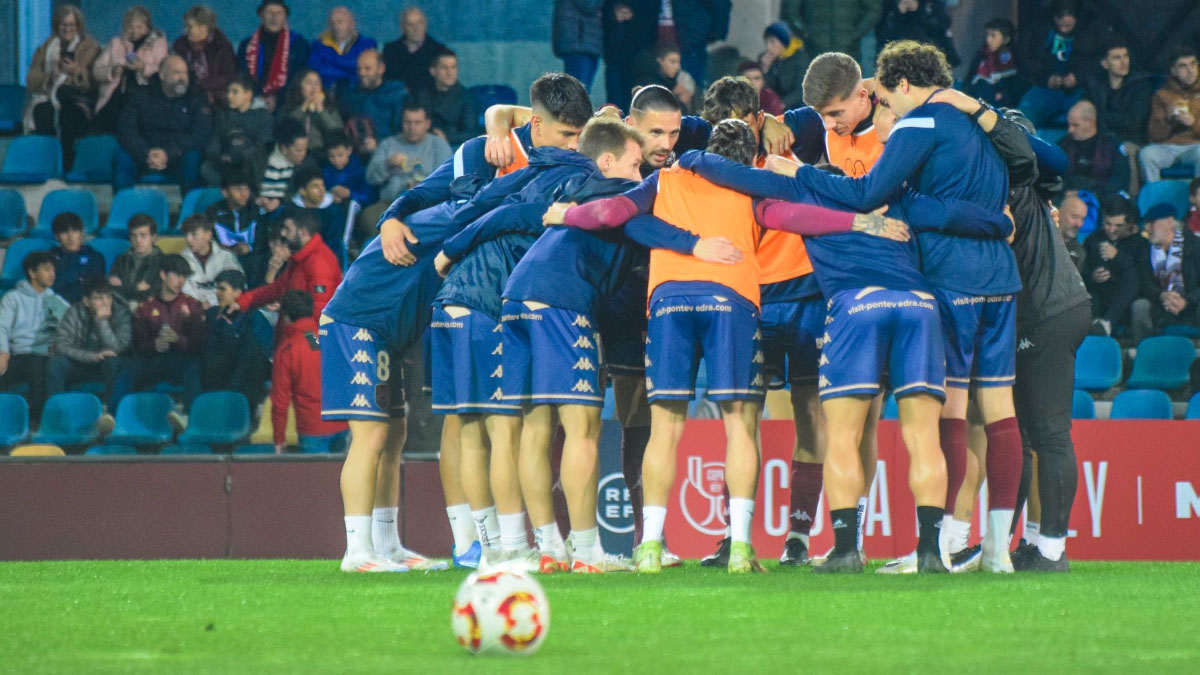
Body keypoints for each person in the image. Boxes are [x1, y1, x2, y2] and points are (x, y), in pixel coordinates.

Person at [747, 41, 1018, 573]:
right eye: (824, 117)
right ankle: (922, 548)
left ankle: (855, 547)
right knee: (896, 426)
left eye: (838, 113)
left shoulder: (905, 133)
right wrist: (771, 119)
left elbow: (817, 200)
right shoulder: (824, 123)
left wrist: (797, 178)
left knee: (858, 427)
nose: (832, 124)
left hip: (873, 297)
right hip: (918, 298)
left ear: (872, 97)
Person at [320, 73, 593, 574]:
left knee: (397, 433)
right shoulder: (479, 172)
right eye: (566, 136)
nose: (575, 147)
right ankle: (356, 551)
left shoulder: (540, 160)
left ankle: (386, 544)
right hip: (361, 316)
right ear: (538, 127)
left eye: (580, 137)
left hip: (407, 321)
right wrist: (390, 217)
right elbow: (439, 199)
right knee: (373, 436)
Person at [479, 118, 738, 573]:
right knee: (582, 430)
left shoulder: (577, 192)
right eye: (636, 165)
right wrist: (697, 245)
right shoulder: (610, 197)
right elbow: (642, 228)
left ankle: (549, 547)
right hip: (562, 302)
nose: (640, 177)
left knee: (536, 429)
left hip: (516, 299)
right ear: (608, 161)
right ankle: (586, 552)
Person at [935, 93, 1091, 572]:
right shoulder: (1015, 183)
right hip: (1041, 311)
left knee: (1048, 435)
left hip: (1047, 312)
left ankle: (1051, 552)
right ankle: (1017, 543)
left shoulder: (1011, 185)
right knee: (1022, 436)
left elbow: (1051, 157)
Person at [115, 254, 205, 408]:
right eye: (177, 275)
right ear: (163, 275)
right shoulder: (145, 307)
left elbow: (199, 344)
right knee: (129, 366)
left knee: (192, 366)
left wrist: (178, 339)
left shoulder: (193, 306)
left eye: (184, 276)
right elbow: (138, 345)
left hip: (181, 359)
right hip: (154, 360)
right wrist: (154, 345)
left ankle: (193, 417)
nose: (181, 281)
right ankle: (113, 415)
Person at [114, 55, 211, 194]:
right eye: (176, 73)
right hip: (145, 154)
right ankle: (123, 210)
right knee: (121, 158)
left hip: (178, 155)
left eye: (184, 73)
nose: (182, 78)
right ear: (162, 75)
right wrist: (145, 153)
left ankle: (192, 213)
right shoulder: (140, 95)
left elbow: (201, 135)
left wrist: (169, 153)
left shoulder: (196, 97)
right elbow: (126, 131)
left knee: (193, 158)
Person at [24, 3, 101, 170]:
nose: (67, 29)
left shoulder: (91, 48)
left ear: (78, 26)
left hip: (78, 102)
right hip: (48, 97)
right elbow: (31, 79)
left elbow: (94, 83)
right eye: (63, 25)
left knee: (69, 115)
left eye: (71, 25)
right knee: (42, 111)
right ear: (57, 26)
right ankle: (48, 163)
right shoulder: (46, 48)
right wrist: (52, 75)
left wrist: (76, 71)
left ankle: (67, 165)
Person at [272, 290, 349, 454]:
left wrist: (279, 439)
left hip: (313, 428)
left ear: (285, 315)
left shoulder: (287, 350)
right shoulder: (322, 339)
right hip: (342, 423)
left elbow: (280, 402)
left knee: (316, 479)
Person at [0, 251, 69, 423]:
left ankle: (36, 422)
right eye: (46, 269)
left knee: (38, 364)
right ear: (32, 273)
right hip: (17, 355)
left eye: (53, 270)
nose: (52, 274)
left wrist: (58, 345)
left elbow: (71, 328)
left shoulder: (57, 301)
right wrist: (3, 352)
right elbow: (2, 326)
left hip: (44, 356)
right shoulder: (12, 298)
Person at [235, 209, 341, 320]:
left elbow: (318, 314)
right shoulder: (299, 259)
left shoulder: (320, 263)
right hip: (290, 331)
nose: (283, 233)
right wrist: (242, 302)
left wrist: (304, 337)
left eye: (287, 229)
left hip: (304, 335)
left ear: (302, 232)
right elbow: (276, 289)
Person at [47, 276, 131, 405]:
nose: (105, 303)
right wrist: (92, 356)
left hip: (107, 365)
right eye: (99, 298)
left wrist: (102, 322)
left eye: (108, 297)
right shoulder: (75, 311)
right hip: (82, 361)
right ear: (86, 301)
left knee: (114, 363)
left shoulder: (121, 313)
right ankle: (57, 411)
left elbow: (118, 348)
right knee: (56, 363)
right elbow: (61, 345)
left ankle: (111, 413)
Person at [1017, 0, 1097, 128]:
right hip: (1044, 87)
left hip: (1078, 90)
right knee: (1021, 118)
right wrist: (1047, 78)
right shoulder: (1040, 26)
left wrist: (1077, 76)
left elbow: (1096, 61)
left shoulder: (1090, 28)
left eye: (1068, 25)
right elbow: (1026, 58)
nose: (1064, 29)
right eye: (1060, 23)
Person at [92, 5, 168, 134]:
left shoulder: (158, 44)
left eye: (139, 27)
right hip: (114, 95)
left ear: (147, 27)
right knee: (102, 127)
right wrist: (111, 71)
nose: (134, 31)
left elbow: (164, 70)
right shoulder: (116, 43)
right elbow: (96, 70)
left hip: (143, 95)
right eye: (130, 26)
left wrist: (143, 68)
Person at [201, 269, 272, 405]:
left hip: (249, 372)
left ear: (238, 292)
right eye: (217, 288)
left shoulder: (254, 317)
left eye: (222, 289)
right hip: (224, 369)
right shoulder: (212, 314)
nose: (217, 293)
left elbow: (254, 353)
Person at [1130, 204, 1200, 340]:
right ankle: (1146, 352)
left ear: (1169, 221)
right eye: (1146, 224)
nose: (1147, 228)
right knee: (1140, 306)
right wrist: (1162, 295)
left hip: (1193, 305)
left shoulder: (1195, 245)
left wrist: (1186, 301)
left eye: (1152, 223)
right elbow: (1143, 282)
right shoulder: (1144, 249)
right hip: (1160, 305)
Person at [367, 101, 453, 205]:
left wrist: (422, 187)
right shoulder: (388, 144)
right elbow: (370, 178)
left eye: (417, 123)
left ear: (427, 124)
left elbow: (447, 180)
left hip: (429, 204)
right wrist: (387, 165)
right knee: (368, 217)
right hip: (390, 205)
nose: (412, 128)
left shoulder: (440, 146)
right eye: (407, 123)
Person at [1082, 196, 1141, 338]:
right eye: (1108, 224)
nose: (1112, 230)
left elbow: (1138, 279)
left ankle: (1107, 323)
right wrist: (1093, 276)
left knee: (1131, 284)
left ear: (1129, 224)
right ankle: (1096, 326)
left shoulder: (1139, 243)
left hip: (1125, 304)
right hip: (1099, 299)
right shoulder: (1093, 240)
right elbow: (1083, 274)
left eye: (1118, 226)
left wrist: (1118, 256)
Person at [201, 74, 274, 187]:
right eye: (228, 92)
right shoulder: (223, 115)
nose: (230, 96)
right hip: (225, 165)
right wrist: (219, 157)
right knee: (206, 169)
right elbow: (214, 141)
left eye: (235, 92)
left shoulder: (262, 116)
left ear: (248, 94)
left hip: (249, 166)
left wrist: (238, 157)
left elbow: (262, 146)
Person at [237, 0, 309, 113]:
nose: (274, 17)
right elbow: (242, 75)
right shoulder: (246, 45)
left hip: (287, 102)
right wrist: (256, 96)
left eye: (279, 13)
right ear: (261, 16)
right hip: (253, 101)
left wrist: (277, 98)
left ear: (285, 17)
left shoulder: (298, 45)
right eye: (270, 12)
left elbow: (299, 77)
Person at [1141, 45, 1200, 183]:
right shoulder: (1162, 94)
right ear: (1174, 71)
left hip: (1196, 145)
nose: (1190, 71)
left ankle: (1198, 199)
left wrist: (1193, 123)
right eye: (1183, 66)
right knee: (1146, 154)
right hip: (1169, 146)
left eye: (1193, 64)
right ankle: (1155, 200)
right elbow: (1154, 136)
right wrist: (1168, 120)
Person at [1083, 37, 1154, 148]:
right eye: (1117, 58)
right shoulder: (1095, 85)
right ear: (1105, 64)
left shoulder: (1141, 85)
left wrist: (1100, 116)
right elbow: (1085, 114)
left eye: (1125, 56)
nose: (1123, 62)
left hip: (1131, 140)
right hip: (1100, 138)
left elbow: (1133, 123)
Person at [339, 50, 408, 156]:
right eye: (359, 69)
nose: (361, 73)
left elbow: (404, 129)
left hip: (391, 153)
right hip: (355, 156)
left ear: (381, 69)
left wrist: (379, 143)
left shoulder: (397, 94)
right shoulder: (350, 95)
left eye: (367, 69)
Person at [1059, 100, 1131, 196]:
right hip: (1069, 195)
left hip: (1103, 196)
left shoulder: (1111, 144)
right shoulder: (1063, 145)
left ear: (1090, 122)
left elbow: (1121, 179)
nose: (1070, 130)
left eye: (1075, 125)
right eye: (1068, 125)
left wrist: (1095, 193)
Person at [290, 166, 356, 267]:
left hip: (324, 261)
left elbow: (333, 243)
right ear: (302, 191)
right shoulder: (290, 209)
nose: (322, 190)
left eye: (322, 185)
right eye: (315, 187)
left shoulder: (333, 210)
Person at [413, 50, 481, 148]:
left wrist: (447, 137)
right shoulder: (422, 95)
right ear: (433, 71)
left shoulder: (467, 97)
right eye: (444, 68)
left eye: (453, 67)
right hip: (424, 144)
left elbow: (471, 133)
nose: (450, 72)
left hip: (455, 147)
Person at [173, 5, 238, 106]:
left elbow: (229, 77)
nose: (185, 30)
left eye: (189, 26)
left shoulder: (222, 46)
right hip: (186, 95)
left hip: (216, 98)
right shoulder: (180, 45)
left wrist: (201, 85)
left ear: (203, 27)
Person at [778, 0, 881, 64]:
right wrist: (807, 34)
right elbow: (790, 12)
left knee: (847, 94)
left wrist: (856, 33)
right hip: (813, 52)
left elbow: (873, 10)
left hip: (848, 50)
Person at [307, 6, 377, 93]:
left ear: (351, 24)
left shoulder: (366, 44)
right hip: (326, 94)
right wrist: (348, 74)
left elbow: (361, 70)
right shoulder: (317, 46)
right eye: (332, 23)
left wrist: (332, 62)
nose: (335, 27)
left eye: (340, 22)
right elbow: (316, 71)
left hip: (358, 94)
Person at [179, 215, 243, 308]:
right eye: (186, 234)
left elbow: (236, 287)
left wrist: (211, 303)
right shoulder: (181, 259)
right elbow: (183, 290)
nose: (188, 239)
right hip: (194, 310)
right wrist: (199, 305)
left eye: (194, 234)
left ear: (208, 235)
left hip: (223, 307)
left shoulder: (226, 257)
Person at [381, 7, 447, 95]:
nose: (415, 28)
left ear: (425, 25)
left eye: (419, 23)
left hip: (429, 104)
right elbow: (385, 83)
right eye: (410, 24)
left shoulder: (439, 51)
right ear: (403, 27)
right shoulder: (390, 51)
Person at [875, 0, 959, 67]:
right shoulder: (892, 6)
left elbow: (941, 25)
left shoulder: (932, 6)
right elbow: (883, 29)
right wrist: (898, 10)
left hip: (924, 55)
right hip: (895, 51)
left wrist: (919, 9)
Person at [282, 69, 344, 159]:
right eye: (309, 83)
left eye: (317, 84)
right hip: (294, 154)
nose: (314, 88)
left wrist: (321, 111)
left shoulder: (329, 108)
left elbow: (337, 133)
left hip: (321, 155)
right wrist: (303, 108)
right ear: (299, 86)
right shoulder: (290, 107)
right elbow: (286, 128)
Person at [965, 18, 1022, 108]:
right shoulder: (981, 56)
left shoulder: (1013, 60)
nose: (988, 40)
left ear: (1006, 39)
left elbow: (1016, 88)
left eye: (993, 36)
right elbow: (968, 81)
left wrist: (1004, 95)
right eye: (987, 35)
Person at [48, 213, 104, 305]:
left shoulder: (94, 258)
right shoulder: (49, 258)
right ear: (56, 237)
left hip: (81, 307)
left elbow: (93, 288)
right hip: (51, 306)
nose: (70, 237)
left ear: (81, 233)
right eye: (64, 232)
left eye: (74, 231)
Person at [109, 213, 163, 309]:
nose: (138, 240)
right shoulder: (121, 260)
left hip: (149, 311)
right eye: (134, 236)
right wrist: (136, 288)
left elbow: (155, 293)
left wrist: (124, 287)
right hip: (121, 309)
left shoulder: (163, 262)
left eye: (143, 236)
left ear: (153, 237)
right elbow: (112, 290)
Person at [206, 171, 264, 259]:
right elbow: (208, 240)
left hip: (252, 260)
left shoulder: (256, 211)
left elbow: (263, 241)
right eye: (238, 189)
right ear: (225, 192)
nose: (244, 194)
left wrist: (250, 247)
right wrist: (229, 249)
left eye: (246, 189)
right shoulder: (213, 212)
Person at [259, 118, 315, 202]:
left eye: (305, 150)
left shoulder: (307, 164)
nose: (303, 154)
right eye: (298, 150)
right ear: (284, 148)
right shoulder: (259, 158)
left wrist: (280, 201)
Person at [553, 0, 603, 92]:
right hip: (578, 42)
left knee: (581, 91)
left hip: (585, 42)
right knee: (577, 92)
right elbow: (588, 5)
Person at [760, 22, 809, 110]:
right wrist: (765, 70)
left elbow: (801, 90)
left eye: (772, 42)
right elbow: (766, 90)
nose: (768, 47)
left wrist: (783, 103)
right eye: (766, 42)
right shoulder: (770, 59)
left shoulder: (800, 59)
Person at [322, 132, 372, 207]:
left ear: (349, 150)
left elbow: (369, 197)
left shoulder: (360, 169)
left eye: (340, 155)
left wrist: (350, 194)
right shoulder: (326, 171)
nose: (336, 160)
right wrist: (331, 194)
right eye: (331, 156)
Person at [1059, 193, 1088, 271]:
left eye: (1083, 219)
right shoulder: (1040, 239)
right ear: (1060, 213)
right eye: (1074, 217)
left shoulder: (1079, 252)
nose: (1079, 224)